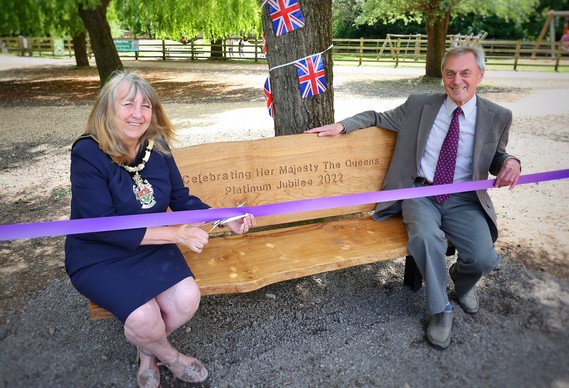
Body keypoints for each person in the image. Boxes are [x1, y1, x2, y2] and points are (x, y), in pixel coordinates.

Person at [306, 46, 521, 349]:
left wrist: (511, 162)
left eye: (465, 73)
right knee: (425, 237)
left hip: (464, 197)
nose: (456, 80)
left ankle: (461, 279)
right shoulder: (420, 105)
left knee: (485, 258)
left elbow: (497, 157)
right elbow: (377, 116)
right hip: (420, 192)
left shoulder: (499, 115)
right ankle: (440, 310)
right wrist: (343, 125)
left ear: (480, 76)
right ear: (443, 77)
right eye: (450, 73)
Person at [65, 71, 255, 387]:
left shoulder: (157, 146)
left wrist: (224, 218)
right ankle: (170, 357)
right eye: (128, 104)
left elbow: (180, 198)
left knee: (186, 299)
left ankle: (147, 351)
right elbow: (103, 226)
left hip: (150, 244)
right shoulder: (87, 152)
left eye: (146, 106)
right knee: (143, 318)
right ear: (107, 109)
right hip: (98, 253)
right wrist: (176, 234)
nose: (138, 114)